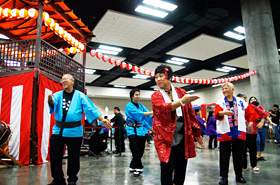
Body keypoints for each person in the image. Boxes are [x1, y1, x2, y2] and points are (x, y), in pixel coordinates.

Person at [47, 74, 111, 185]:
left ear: (72, 81)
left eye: (65, 79)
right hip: (58, 130)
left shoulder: (80, 96)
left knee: (73, 156)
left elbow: (90, 108)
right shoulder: (57, 95)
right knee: (55, 154)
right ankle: (58, 179)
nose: (63, 81)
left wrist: (102, 119)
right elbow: (53, 103)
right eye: (62, 79)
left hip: (74, 131)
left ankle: (72, 179)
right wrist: (50, 101)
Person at [151, 64, 203, 185]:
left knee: (181, 165)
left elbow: (191, 114)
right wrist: (181, 102)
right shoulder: (156, 96)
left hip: (181, 134)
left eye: (161, 76)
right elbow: (162, 108)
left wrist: (196, 133)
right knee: (167, 166)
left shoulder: (181, 92)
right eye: (156, 76)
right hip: (164, 137)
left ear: (169, 77)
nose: (158, 79)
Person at [214, 82, 259, 185]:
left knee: (239, 155)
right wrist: (223, 112)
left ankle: (239, 175)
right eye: (223, 89)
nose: (224, 90)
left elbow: (250, 112)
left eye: (226, 88)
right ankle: (224, 177)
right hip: (226, 132)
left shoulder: (241, 101)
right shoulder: (220, 102)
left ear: (232, 89)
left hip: (239, 132)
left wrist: (251, 122)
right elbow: (217, 113)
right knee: (224, 156)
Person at [125, 88, 153, 176]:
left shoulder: (141, 106)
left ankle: (133, 165)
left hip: (141, 130)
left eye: (139, 95)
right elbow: (138, 115)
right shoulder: (129, 106)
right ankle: (139, 167)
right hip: (131, 130)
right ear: (132, 96)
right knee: (134, 148)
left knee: (140, 149)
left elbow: (146, 116)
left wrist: (151, 123)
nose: (138, 96)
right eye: (136, 95)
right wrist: (151, 113)